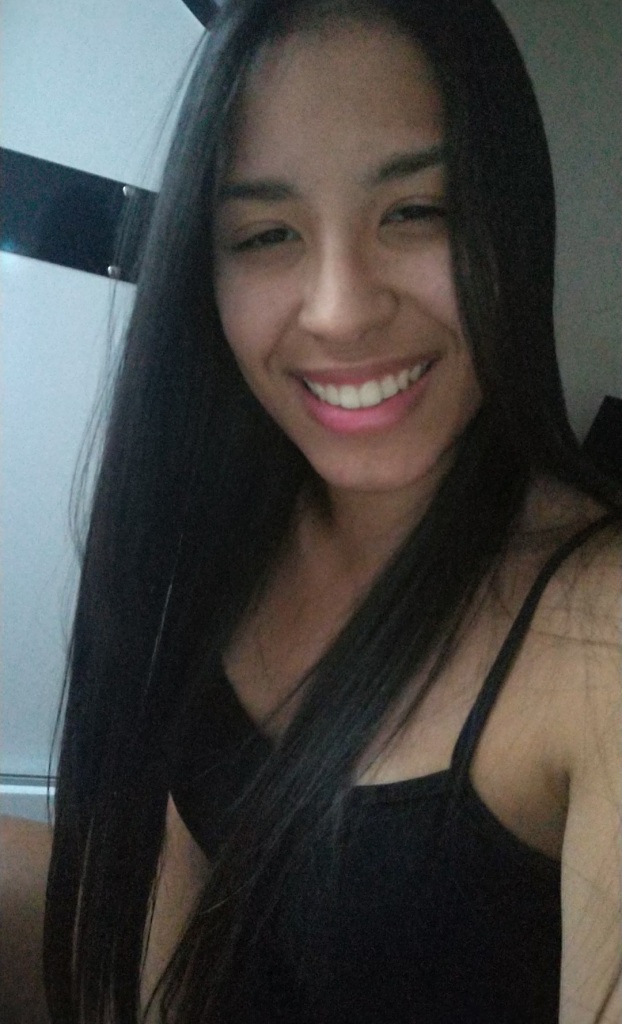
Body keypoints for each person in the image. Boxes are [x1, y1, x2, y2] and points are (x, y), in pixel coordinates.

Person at [1, 0, 620, 1021]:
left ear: (510, 218)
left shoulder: (598, 629)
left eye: (415, 211)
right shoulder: (228, 523)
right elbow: (175, 921)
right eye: (266, 233)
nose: (339, 309)